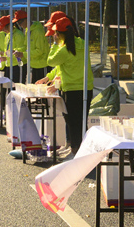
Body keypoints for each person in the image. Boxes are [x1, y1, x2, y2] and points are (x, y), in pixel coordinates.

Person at [36, 16, 93, 159]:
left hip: (71, 89)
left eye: (56, 33)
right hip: (86, 87)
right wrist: (50, 77)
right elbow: (62, 67)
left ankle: (75, 151)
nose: (54, 35)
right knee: (80, 121)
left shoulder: (63, 49)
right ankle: (81, 150)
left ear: (60, 34)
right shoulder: (82, 44)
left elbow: (51, 61)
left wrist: (55, 44)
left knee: (72, 122)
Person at [11, 10, 49, 83]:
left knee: (42, 89)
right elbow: (26, 46)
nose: (19, 25)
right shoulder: (28, 30)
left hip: (42, 65)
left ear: (26, 19)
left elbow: (39, 51)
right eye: (17, 23)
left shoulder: (38, 31)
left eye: (20, 22)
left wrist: (23, 54)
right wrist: (17, 50)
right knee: (34, 88)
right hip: (34, 65)